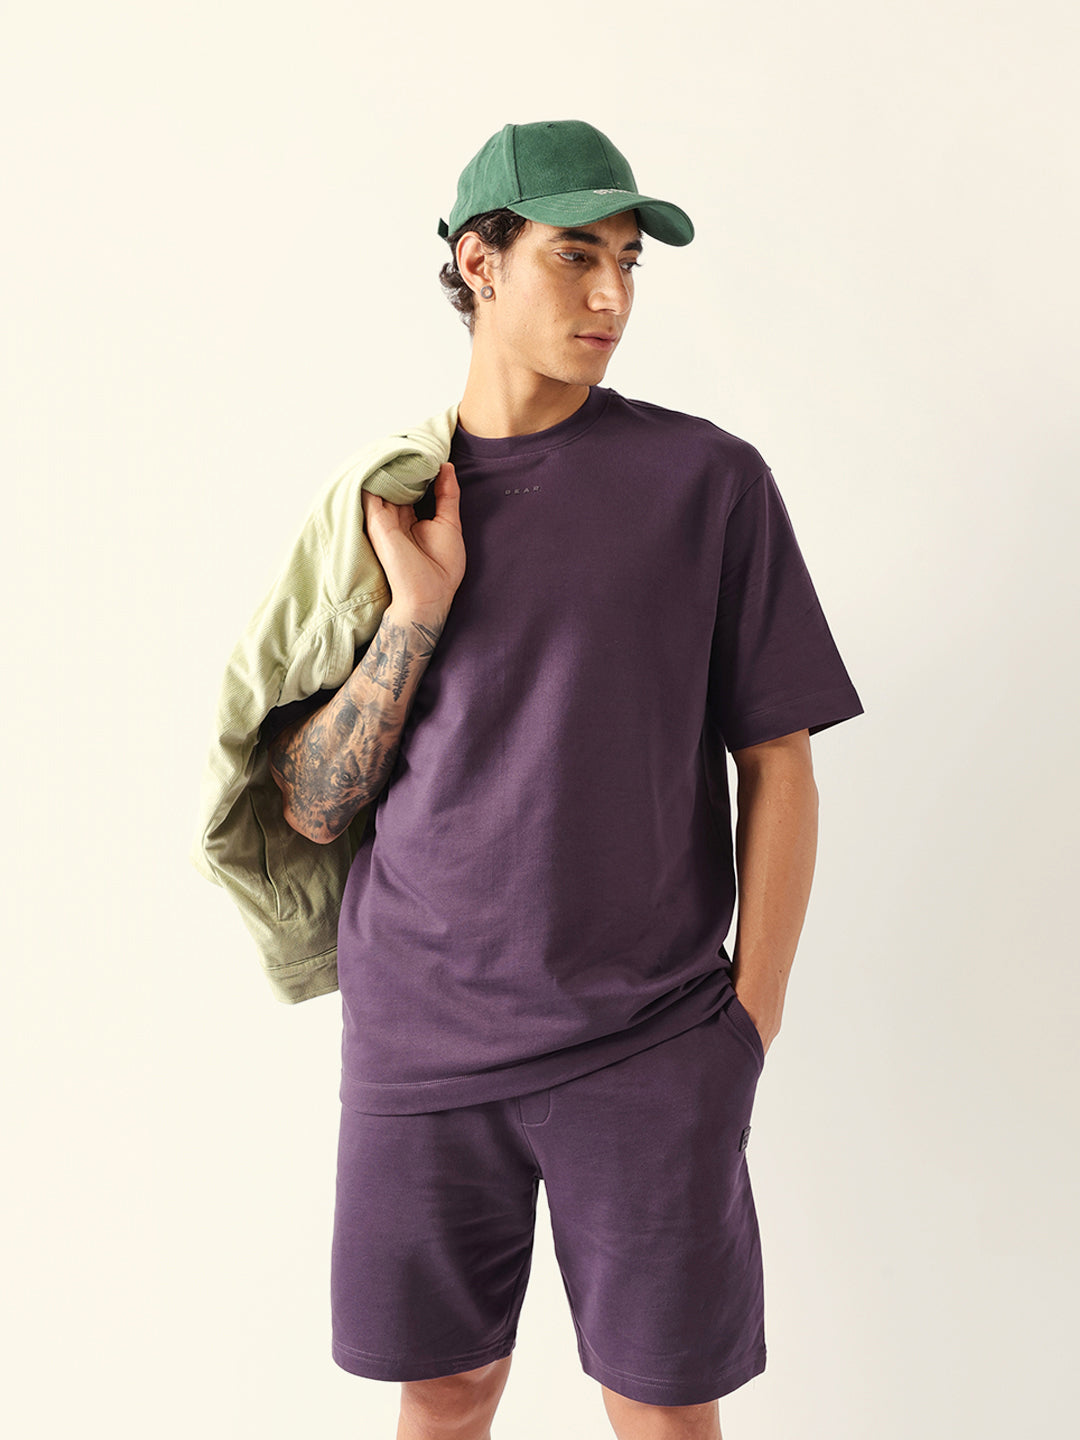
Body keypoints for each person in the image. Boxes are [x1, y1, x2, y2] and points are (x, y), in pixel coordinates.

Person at [260, 119, 864, 1440]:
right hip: (421, 1040)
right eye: (575, 256)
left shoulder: (705, 482)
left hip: (649, 1038)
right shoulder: (385, 504)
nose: (612, 296)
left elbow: (780, 762)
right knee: (445, 1393)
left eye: (629, 263)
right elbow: (308, 805)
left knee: (662, 1410)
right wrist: (415, 613)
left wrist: (748, 1021)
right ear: (479, 262)